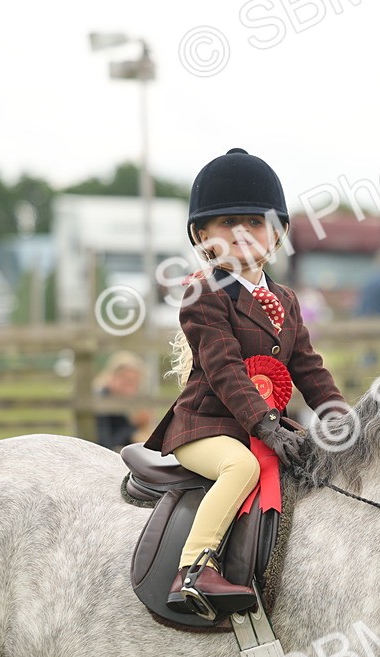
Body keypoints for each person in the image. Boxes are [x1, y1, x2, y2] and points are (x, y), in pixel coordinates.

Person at [143, 148, 346, 616]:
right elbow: (224, 368)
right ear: (201, 236)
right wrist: (267, 425)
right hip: (206, 428)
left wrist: (340, 417)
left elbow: (309, 367)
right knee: (243, 469)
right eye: (229, 223)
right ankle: (193, 570)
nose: (243, 234)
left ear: (276, 234)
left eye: (255, 223)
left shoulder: (286, 300)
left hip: (261, 427)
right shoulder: (203, 294)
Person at [92, 351, 152, 452]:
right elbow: (105, 445)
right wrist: (135, 425)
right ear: (112, 377)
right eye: (126, 381)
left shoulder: (121, 402)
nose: (131, 389)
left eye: (135, 383)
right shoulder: (100, 401)